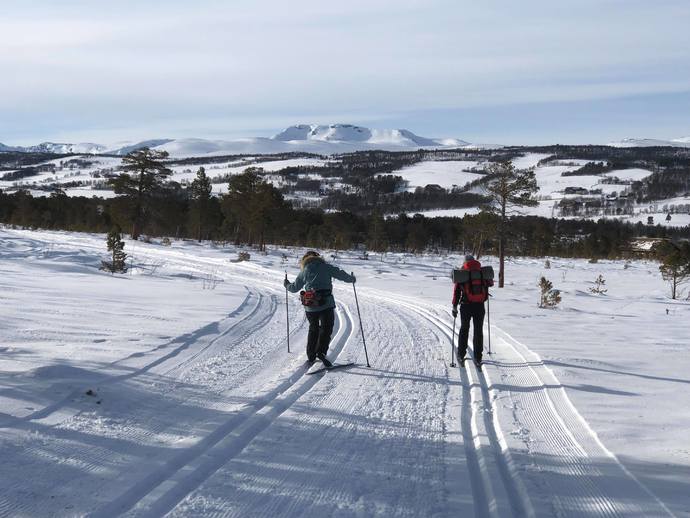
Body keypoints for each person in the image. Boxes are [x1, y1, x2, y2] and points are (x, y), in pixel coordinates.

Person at [284, 251, 356, 367]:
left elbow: (294, 288)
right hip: (326, 304)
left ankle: (311, 355)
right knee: (326, 328)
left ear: (305, 260)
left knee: (313, 329)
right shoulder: (326, 267)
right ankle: (321, 352)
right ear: (318, 258)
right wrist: (352, 278)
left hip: (310, 306)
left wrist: (286, 284)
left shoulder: (304, 271)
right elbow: (341, 275)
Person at [452, 254, 493, 365]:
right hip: (479, 306)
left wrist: (454, 306)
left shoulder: (462, 273)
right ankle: (478, 357)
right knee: (478, 330)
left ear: (465, 262)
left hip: (466, 305)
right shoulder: (481, 272)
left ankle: (461, 355)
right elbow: (490, 283)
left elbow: (456, 292)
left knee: (464, 329)